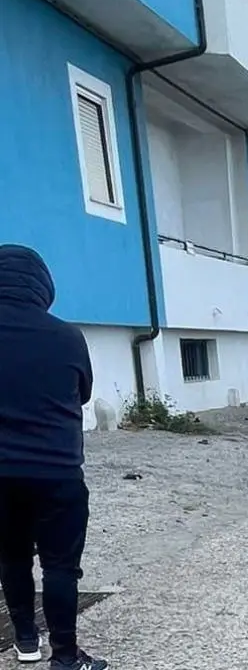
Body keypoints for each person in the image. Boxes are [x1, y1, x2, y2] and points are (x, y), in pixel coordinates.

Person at [0, 245, 110, 670]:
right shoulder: (67, 336)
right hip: (57, 472)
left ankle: (26, 641)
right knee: (61, 566)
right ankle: (65, 657)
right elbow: (82, 393)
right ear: (42, 285)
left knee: (11, 558)